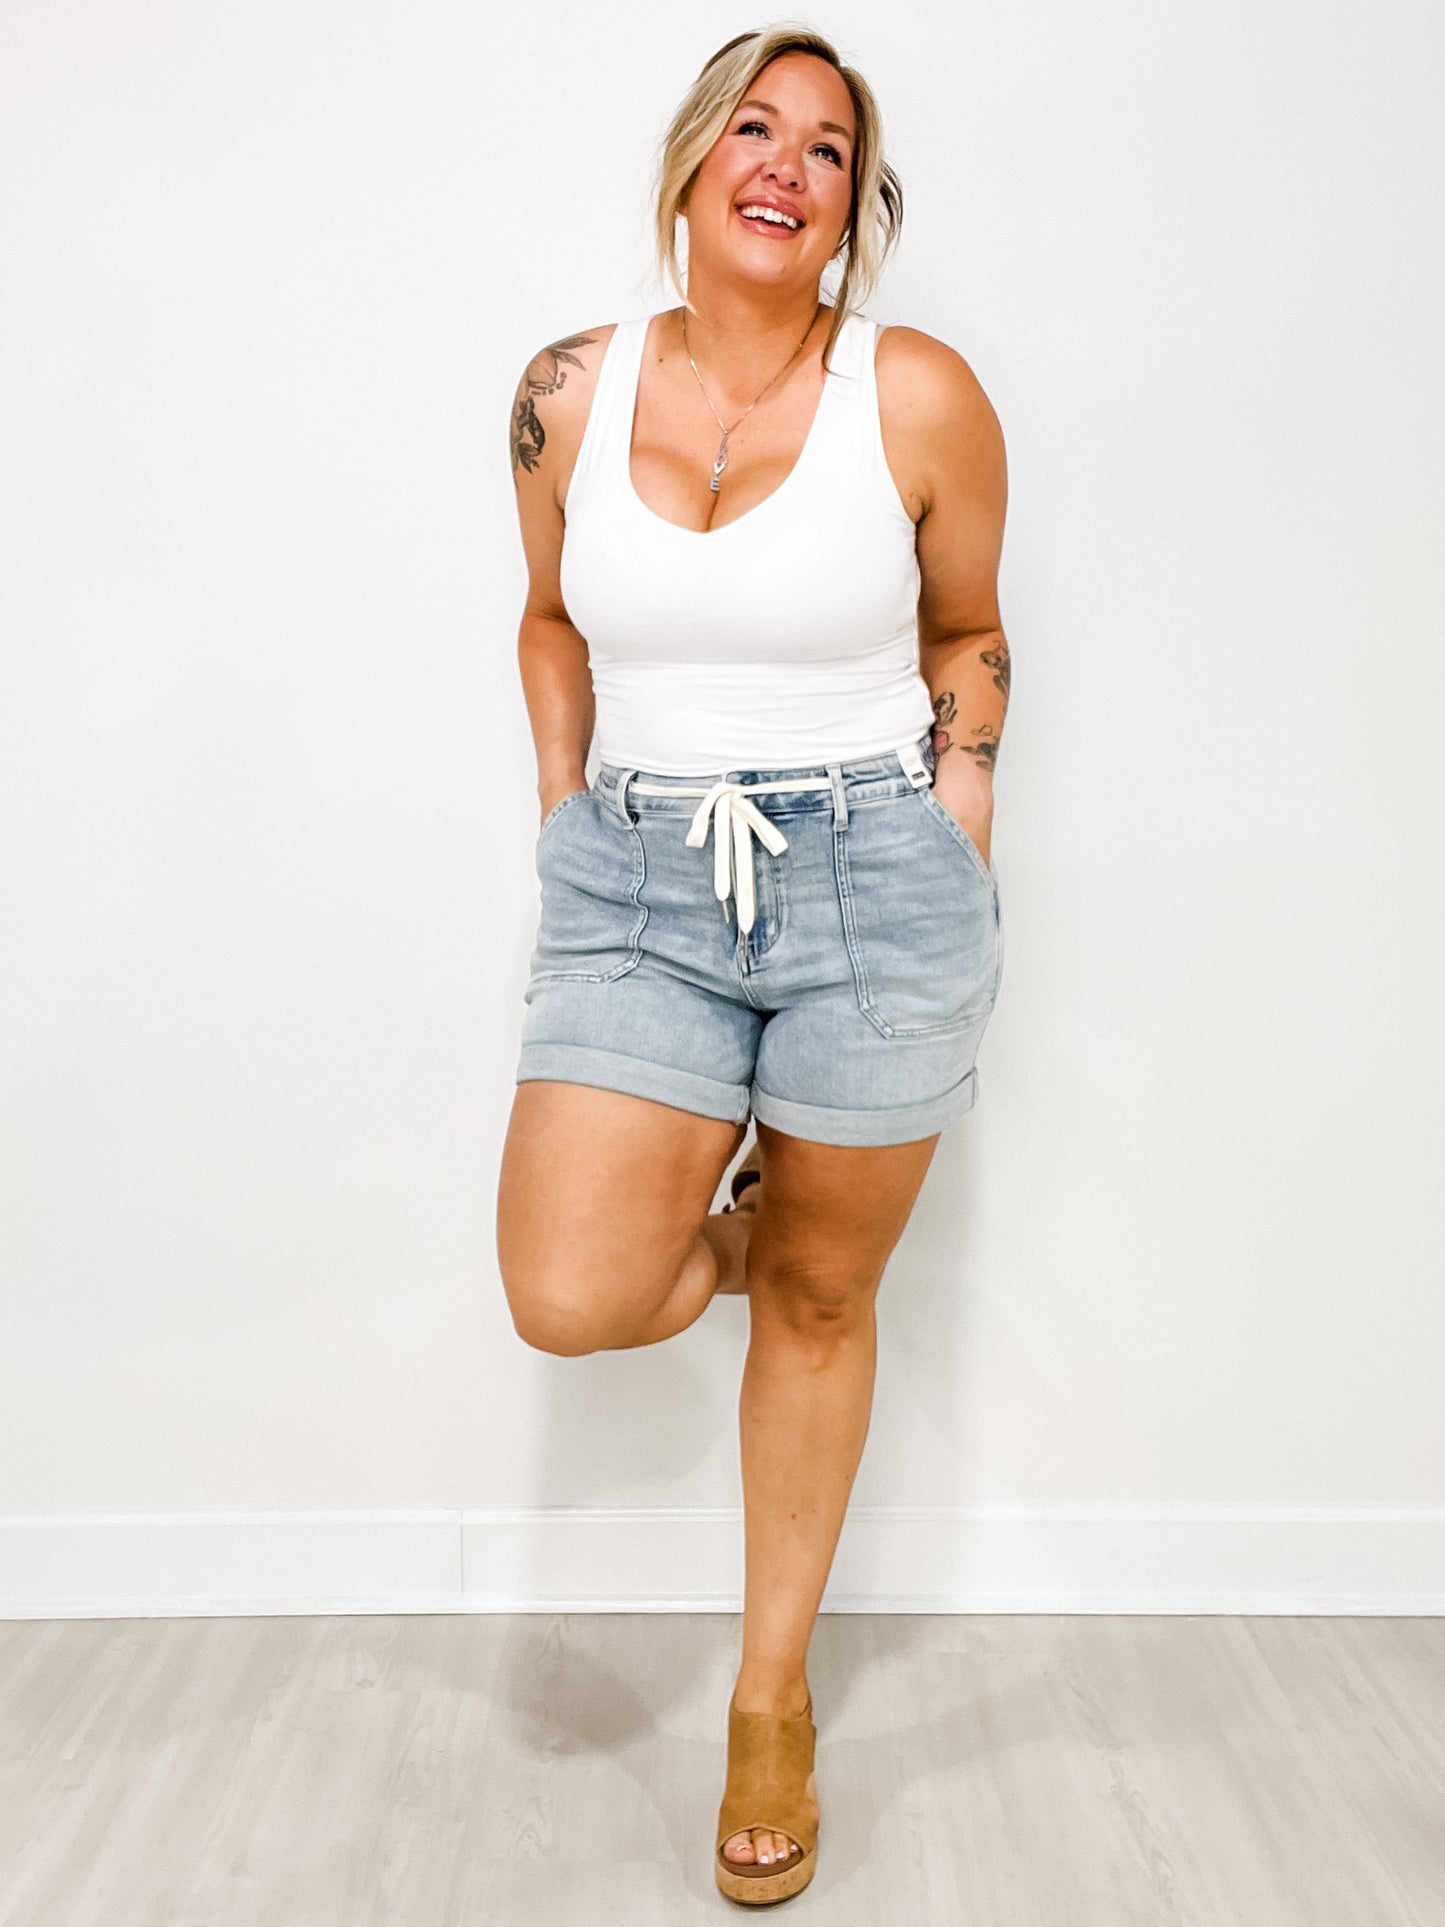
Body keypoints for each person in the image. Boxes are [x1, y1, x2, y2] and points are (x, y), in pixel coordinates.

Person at [495, 25, 1010, 1907]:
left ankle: (770, 1702)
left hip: (875, 873)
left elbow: (968, 629)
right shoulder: (566, 390)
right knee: (571, 1289)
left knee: (818, 1296)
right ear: (695, 158)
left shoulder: (916, 392)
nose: (785, 164)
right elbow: (548, 619)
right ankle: (743, 1218)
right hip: (638, 872)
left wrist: (956, 821)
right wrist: (569, 812)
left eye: (826, 147)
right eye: (755, 128)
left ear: (852, 205)